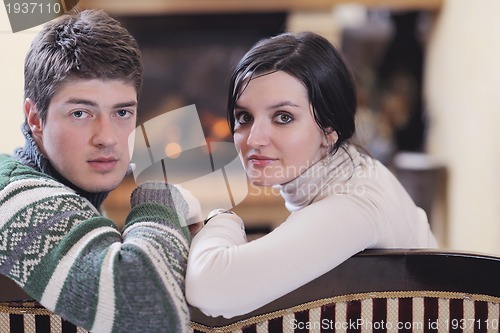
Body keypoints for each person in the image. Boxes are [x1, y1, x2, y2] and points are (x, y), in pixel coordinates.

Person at [185, 31, 437, 318]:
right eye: (245, 117)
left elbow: (210, 289)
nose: (254, 139)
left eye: (283, 117)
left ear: (329, 130)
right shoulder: (356, 170)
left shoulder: (353, 204)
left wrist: (221, 219)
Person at [0, 9, 199, 332]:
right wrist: (160, 195)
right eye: (81, 113)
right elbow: (148, 314)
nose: (107, 138)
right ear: (35, 119)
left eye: (122, 112)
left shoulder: (67, 190)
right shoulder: (15, 197)